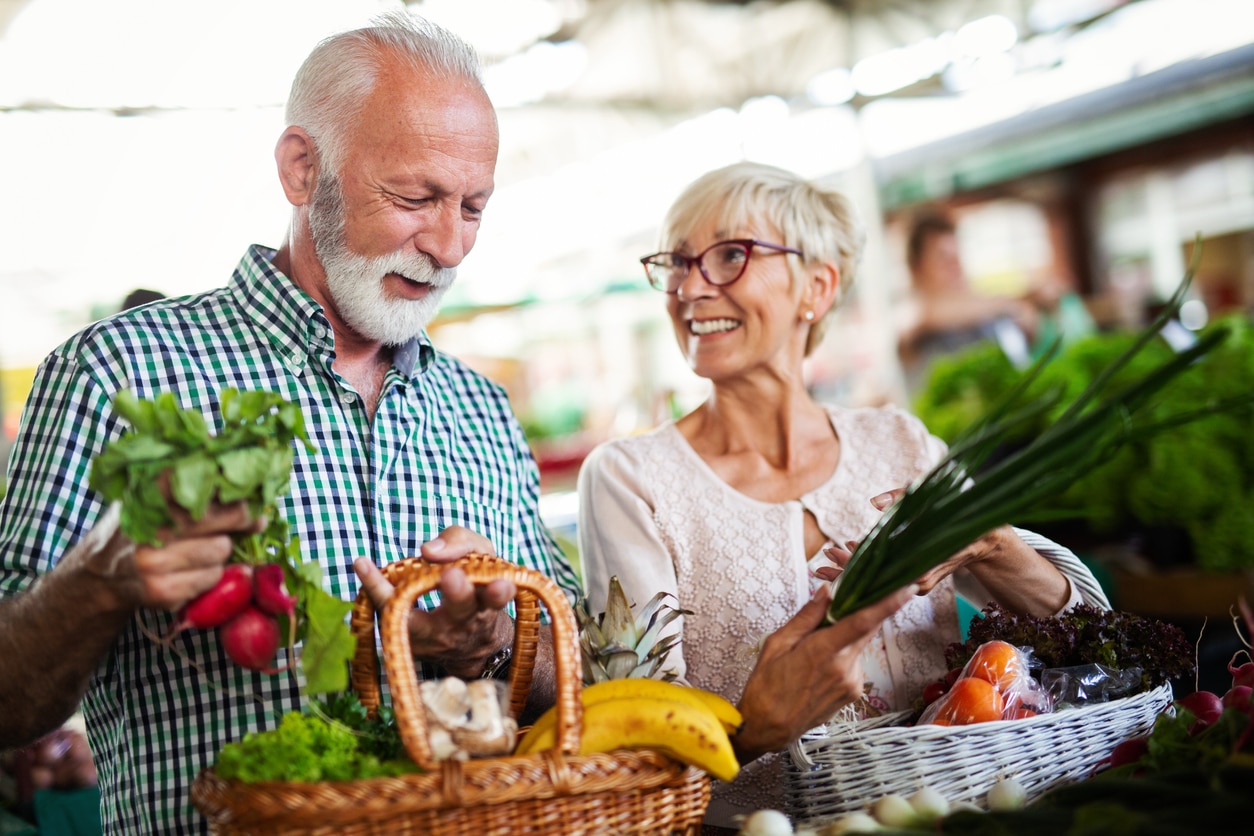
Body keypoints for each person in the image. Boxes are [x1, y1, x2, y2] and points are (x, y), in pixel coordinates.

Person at [0, 12, 579, 833]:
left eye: (474, 207)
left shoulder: (479, 408)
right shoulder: (116, 376)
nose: (449, 246)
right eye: (415, 197)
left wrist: (489, 640)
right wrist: (97, 582)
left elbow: (577, 669)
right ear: (303, 169)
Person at [576, 162, 1110, 830]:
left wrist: (992, 546)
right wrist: (753, 730)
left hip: (961, 817)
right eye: (677, 263)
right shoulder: (632, 479)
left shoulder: (902, 445)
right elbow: (634, 747)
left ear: (817, 287)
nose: (688, 288)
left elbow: (1096, 637)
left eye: (730, 256)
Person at [896, 207, 1040, 395]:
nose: (955, 266)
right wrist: (1014, 304)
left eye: (957, 256)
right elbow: (928, 314)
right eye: (943, 258)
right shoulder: (910, 314)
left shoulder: (980, 312)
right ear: (916, 269)